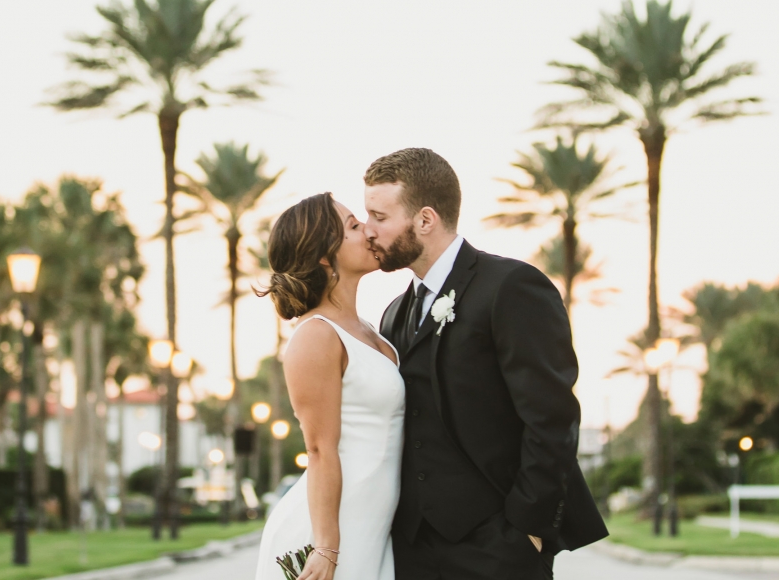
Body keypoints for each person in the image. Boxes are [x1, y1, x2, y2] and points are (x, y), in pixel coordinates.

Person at [364, 148, 607, 580]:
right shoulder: (393, 313)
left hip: (498, 548)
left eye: (379, 217)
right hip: (412, 551)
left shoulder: (511, 287)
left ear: (424, 220)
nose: (368, 231)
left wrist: (527, 530)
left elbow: (552, 418)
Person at [254, 192, 405, 580]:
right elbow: (319, 449)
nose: (369, 231)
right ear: (324, 255)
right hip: (329, 534)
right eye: (354, 226)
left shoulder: (373, 331)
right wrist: (325, 547)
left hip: (372, 525)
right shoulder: (316, 336)